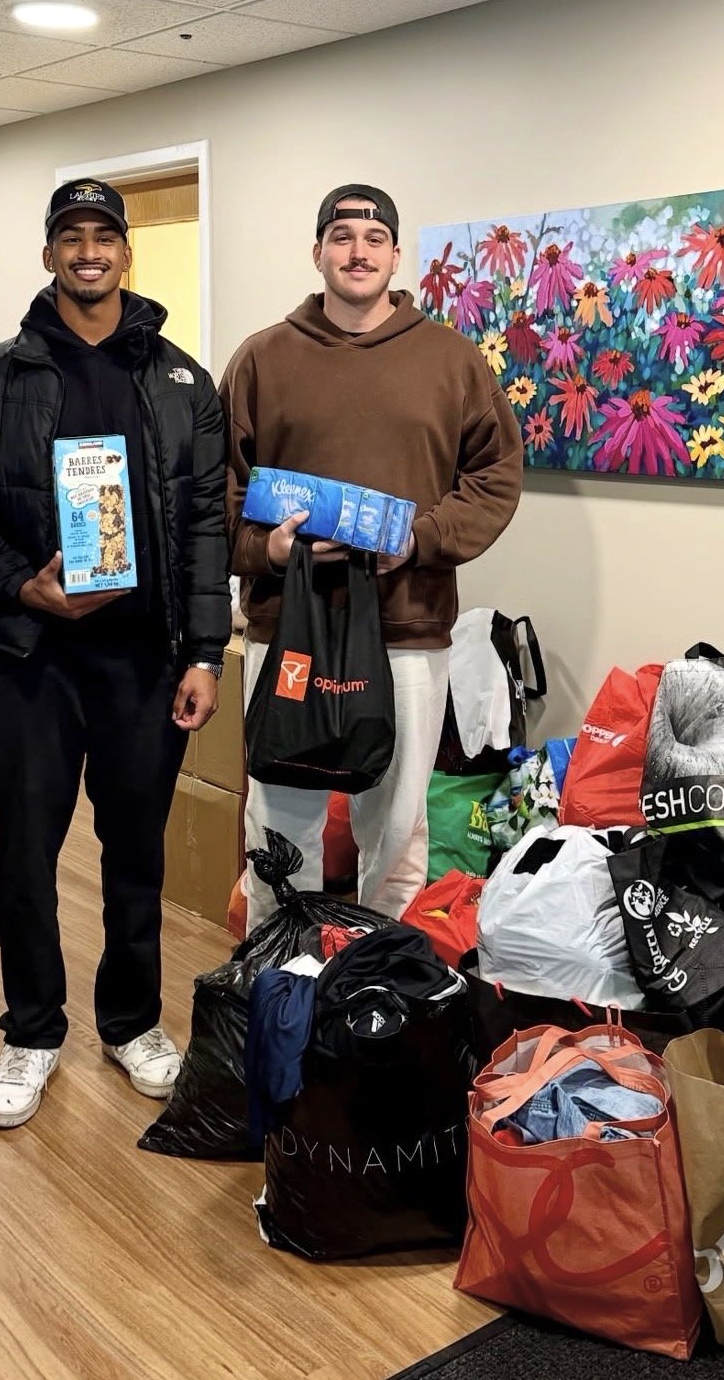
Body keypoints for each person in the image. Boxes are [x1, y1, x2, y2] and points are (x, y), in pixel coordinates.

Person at [0, 178, 230, 1129]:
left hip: (144, 663)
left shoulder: (180, 381)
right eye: (71, 238)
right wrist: (20, 582)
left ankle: (131, 1021)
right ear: (48, 255)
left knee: (136, 856)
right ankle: (32, 1032)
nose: (89, 253)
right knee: (26, 855)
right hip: (31, 662)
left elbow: (206, 522)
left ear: (128, 255)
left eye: (105, 238)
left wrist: (206, 651)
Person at [221, 184, 522, 922]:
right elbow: (214, 493)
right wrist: (270, 548)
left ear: (394, 255)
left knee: (394, 825)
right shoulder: (262, 359)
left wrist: (419, 540)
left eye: (374, 237)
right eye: (343, 235)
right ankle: (274, 974)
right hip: (288, 628)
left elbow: (495, 476)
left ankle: (377, 982)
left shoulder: (452, 362)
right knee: (278, 815)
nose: (358, 251)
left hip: (405, 627)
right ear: (318, 250)